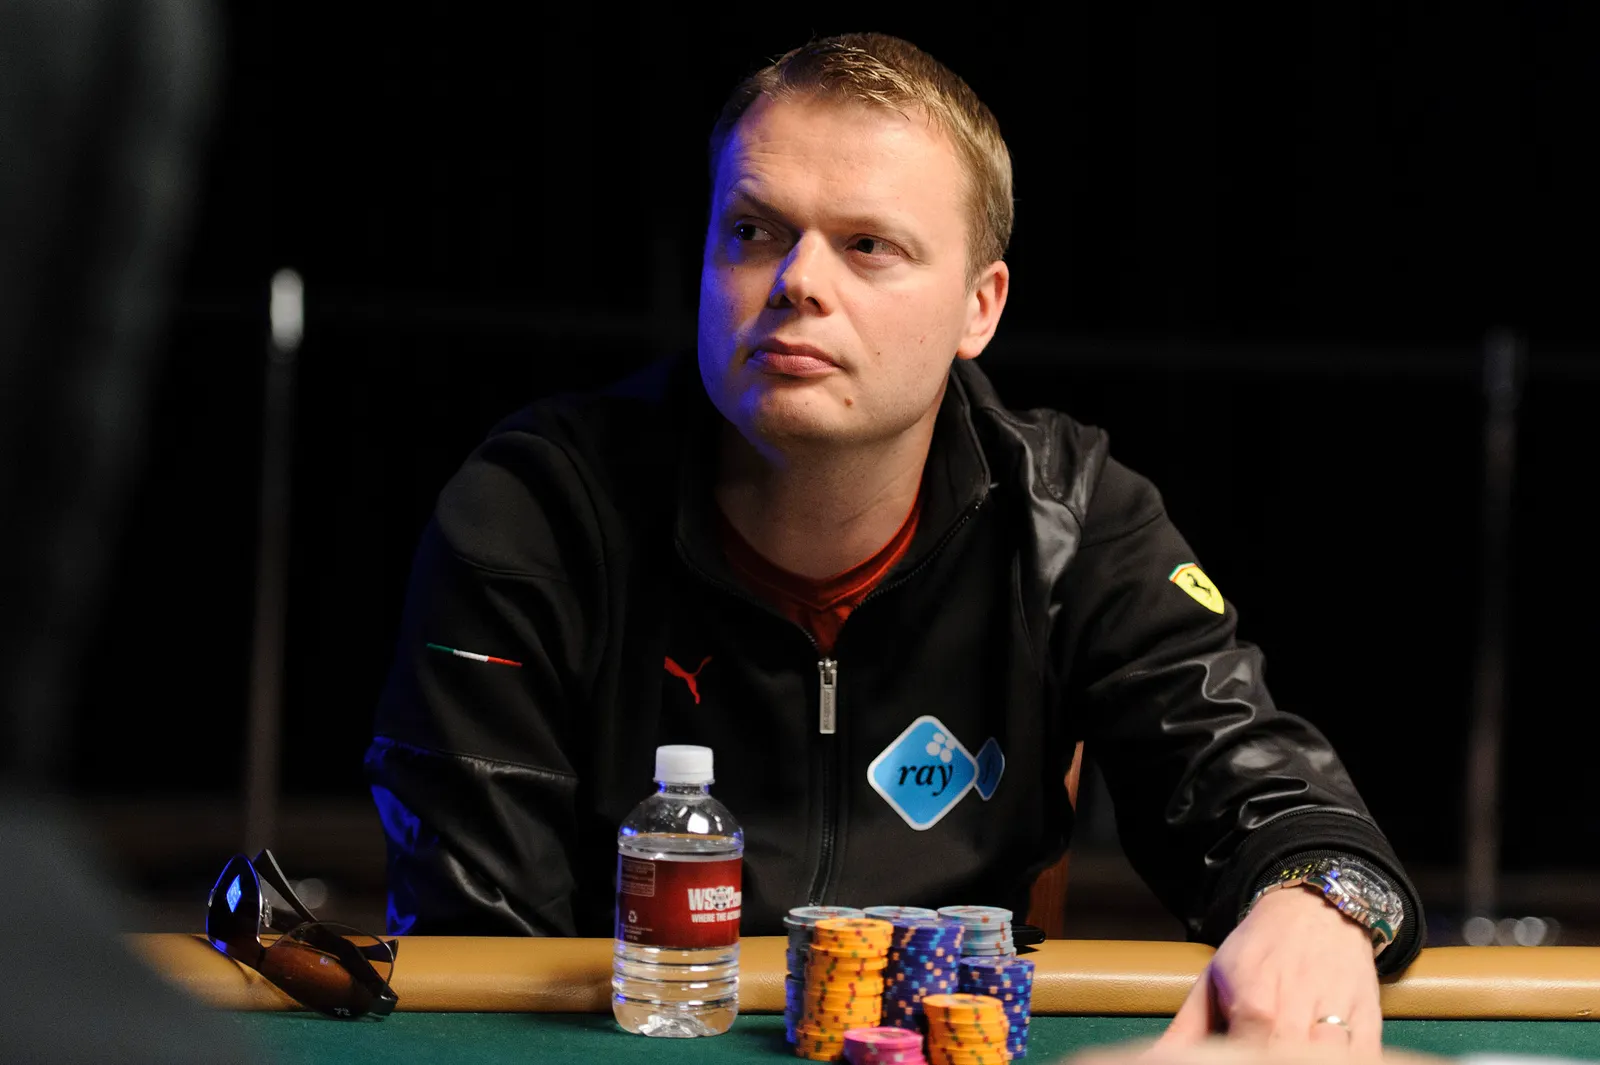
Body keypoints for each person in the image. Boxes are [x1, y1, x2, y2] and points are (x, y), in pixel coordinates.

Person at [366, 33, 1424, 1052]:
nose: (797, 280)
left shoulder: (1070, 515)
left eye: (867, 245)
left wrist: (1318, 902)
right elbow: (475, 970)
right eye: (753, 231)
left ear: (979, 307)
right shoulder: (533, 515)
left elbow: (1270, 797)